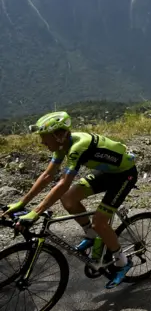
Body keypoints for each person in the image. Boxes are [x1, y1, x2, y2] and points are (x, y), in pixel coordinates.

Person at [1, 111, 136, 289]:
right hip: (107, 172)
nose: (42, 142)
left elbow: (64, 183)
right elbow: (48, 175)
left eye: (44, 137)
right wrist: (22, 203)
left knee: (99, 222)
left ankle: (122, 262)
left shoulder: (78, 147)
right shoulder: (62, 145)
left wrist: (35, 213)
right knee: (68, 199)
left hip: (124, 176)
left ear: (59, 136)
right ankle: (92, 235)